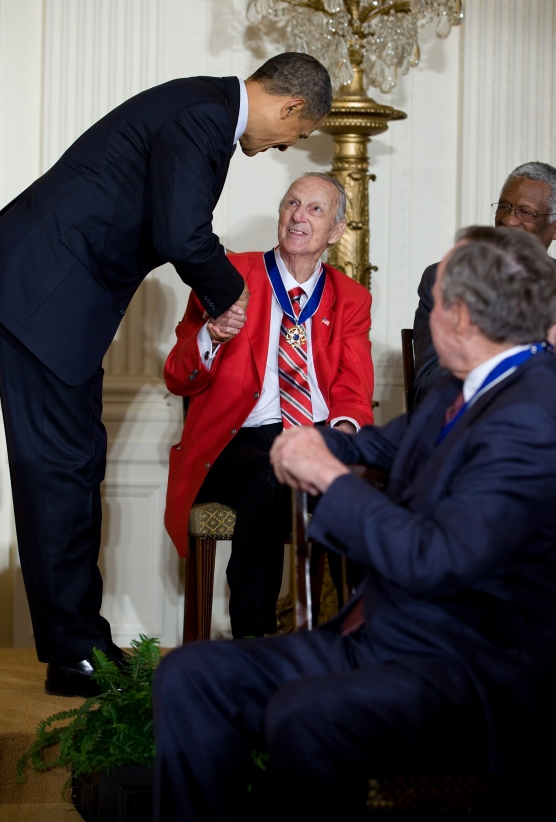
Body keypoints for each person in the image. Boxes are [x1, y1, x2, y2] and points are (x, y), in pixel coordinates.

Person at [154, 226, 556, 820]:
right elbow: (384, 445)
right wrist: (312, 441)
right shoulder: (466, 388)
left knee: (304, 714)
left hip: (466, 669)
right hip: (388, 639)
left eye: (435, 301)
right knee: (192, 675)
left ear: (464, 319)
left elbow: (437, 558)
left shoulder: (533, 414)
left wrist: (330, 480)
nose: (428, 314)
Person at [0, 52, 332, 697]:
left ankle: (82, 641)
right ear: (291, 108)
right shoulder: (204, 116)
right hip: (44, 294)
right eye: (296, 135)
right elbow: (182, 233)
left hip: (56, 301)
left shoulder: (201, 109)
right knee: (59, 472)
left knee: (74, 465)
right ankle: (73, 655)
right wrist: (231, 293)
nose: (283, 146)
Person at [164, 172, 374, 638]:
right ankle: (254, 644)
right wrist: (210, 336)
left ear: (336, 232)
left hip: (314, 435)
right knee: (269, 475)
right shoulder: (229, 275)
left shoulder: (351, 298)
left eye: (315, 209)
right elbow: (178, 376)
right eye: (292, 204)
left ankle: (359, 646)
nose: (299, 216)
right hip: (236, 443)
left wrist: (340, 437)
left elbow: (354, 390)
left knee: (366, 492)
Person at [413, 161, 556, 403]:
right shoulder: (447, 281)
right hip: (472, 426)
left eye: (526, 212)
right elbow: (429, 385)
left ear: (555, 228)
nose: (509, 220)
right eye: (504, 207)